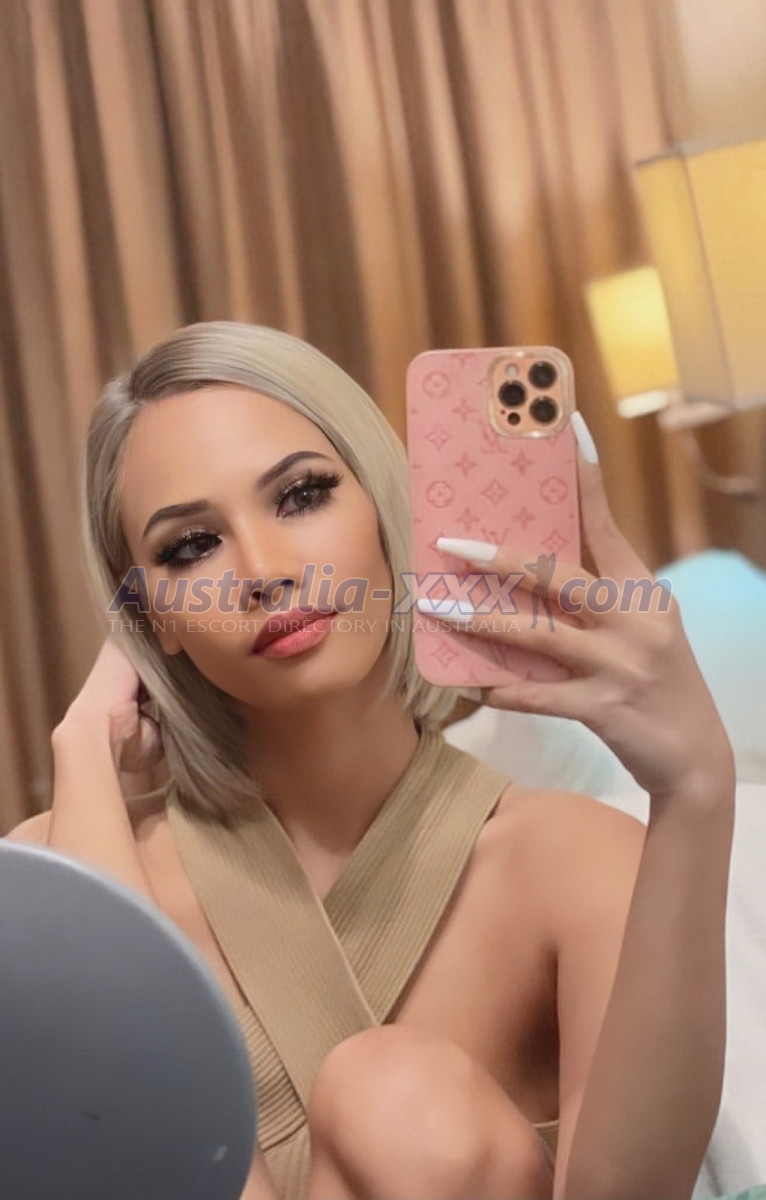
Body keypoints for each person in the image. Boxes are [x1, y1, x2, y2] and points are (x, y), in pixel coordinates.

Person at [7, 322, 735, 1200]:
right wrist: (84, 757)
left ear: (392, 516)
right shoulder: (56, 867)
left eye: (302, 495)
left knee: (393, 1095)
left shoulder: (570, 861)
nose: (264, 571)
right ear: (150, 615)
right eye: (191, 547)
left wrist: (696, 788)